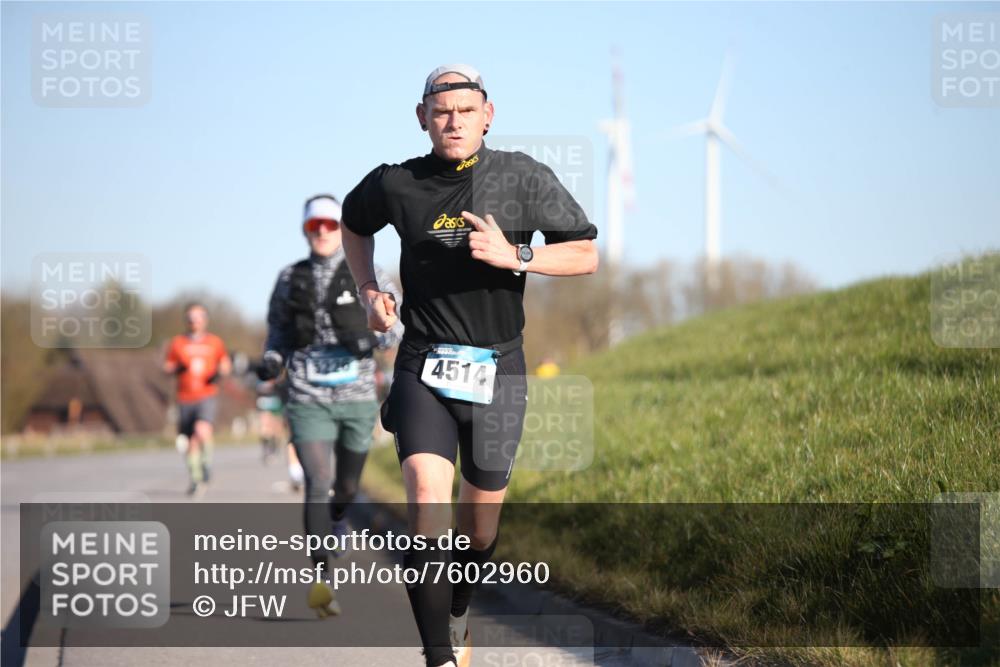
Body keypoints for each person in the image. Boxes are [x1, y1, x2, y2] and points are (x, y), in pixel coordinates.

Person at [341, 64, 598, 667]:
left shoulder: (522, 177)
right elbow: (354, 227)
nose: (453, 120)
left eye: (465, 108)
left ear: (488, 113)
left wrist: (518, 254)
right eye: (441, 110)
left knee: (478, 531)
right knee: (428, 510)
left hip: (498, 370)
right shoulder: (397, 182)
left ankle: (458, 607)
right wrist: (367, 292)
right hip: (422, 364)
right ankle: (439, 657)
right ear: (422, 117)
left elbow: (585, 253)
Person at [259, 193, 403, 617]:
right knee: (317, 481)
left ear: (340, 228)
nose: (321, 232)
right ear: (306, 231)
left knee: (346, 488)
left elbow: (394, 334)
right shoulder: (289, 278)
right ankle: (322, 577)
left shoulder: (371, 275)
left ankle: (340, 518)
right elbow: (277, 333)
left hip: (356, 396)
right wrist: (272, 360)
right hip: (306, 397)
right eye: (313, 226)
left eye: (328, 224)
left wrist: (383, 329)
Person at [163, 302, 232, 497]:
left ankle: (206, 464)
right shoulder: (178, 343)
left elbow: (225, 364)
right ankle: (195, 478)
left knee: (202, 430)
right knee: (190, 441)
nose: (194, 322)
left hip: (206, 394)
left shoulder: (215, 342)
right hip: (185, 397)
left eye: (198, 317)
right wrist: (177, 368)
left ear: (205, 320)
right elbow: (166, 367)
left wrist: (219, 373)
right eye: (190, 319)